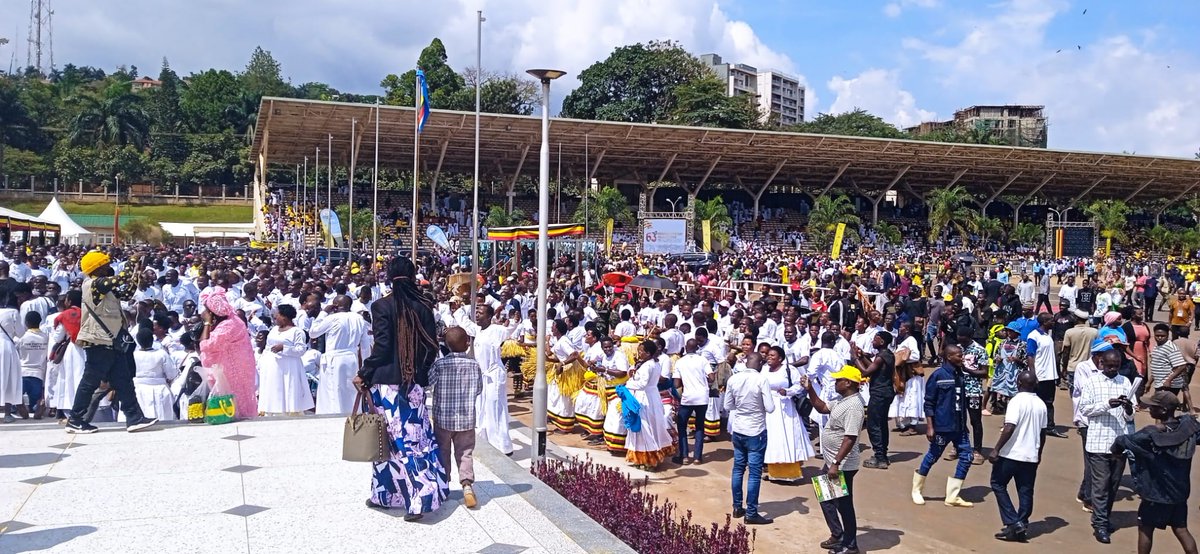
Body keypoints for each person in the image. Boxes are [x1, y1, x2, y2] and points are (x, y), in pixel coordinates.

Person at [355, 256, 448, 521]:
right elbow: (431, 346)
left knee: (386, 441)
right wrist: (417, 372)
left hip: (386, 387)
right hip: (412, 385)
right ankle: (391, 494)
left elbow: (382, 348)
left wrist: (364, 372)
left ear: (389, 276)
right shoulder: (423, 306)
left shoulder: (381, 306)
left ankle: (410, 497)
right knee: (414, 440)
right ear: (413, 276)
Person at [66, 251, 157, 434]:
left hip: (111, 340)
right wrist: (132, 260)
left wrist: (137, 271)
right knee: (90, 381)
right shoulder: (95, 284)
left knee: (123, 380)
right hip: (98, 341)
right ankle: (75, 419)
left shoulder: (104, 287)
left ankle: (134, 418)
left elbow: (126, 293)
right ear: (97, 267)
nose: (109, 267)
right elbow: (120, 278)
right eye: (106, 264)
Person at [1112, 390, 1200, 554]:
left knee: (1145, 528)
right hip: (1179, 493)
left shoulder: (1151, 434)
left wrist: (1115, 450)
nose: (1149, 408)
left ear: (1163, 410)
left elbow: (1123, 441)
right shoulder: (1187, 428)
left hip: (1155, 494)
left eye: (1153, 406)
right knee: (1181, 529)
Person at [805, 366, 866, 554]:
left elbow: (850, 437)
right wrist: (809, 389)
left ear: (848, 383)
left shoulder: (854, 405)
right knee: (825, 495)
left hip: (842, 464)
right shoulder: (842, 400)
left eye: (839, 380)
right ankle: (837, 534)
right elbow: (822, 407)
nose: (835, 382)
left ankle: (850, 545)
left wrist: (836, 464)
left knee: (843, 504)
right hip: (833, 461)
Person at [1078, 349, 1134, 544]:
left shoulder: (1125, 382)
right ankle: (1100, 525)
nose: (1112, 369)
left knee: (1112, 486)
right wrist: (1107, 405)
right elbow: (1084, 409)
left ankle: (1104, 518)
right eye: (1109, 366)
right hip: (1098, 443)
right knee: (1100, 487)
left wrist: (1127, 407)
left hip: (1119, 442)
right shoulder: (1092, 382)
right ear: (1101, 363)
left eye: (1115, 366)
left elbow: (1131, 415)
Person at [912, 343, 974, 508]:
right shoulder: (938, 376)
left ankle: (952, 495)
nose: (962, 358)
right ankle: (916, 490)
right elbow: (929, 403)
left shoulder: (960, 374)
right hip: (942, 426)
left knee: (967, 457)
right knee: (933, 456)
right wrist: (930, 426)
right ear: (949, 357)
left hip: (959, 426)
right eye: (959, 356)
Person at [988, 370, 1048, 542]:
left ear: (1018, 383)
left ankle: (1013, 523)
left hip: (1011, 453)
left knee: (998, 484)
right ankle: (1022, 524)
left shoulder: (1016, 401)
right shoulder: (1041, 404)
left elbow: (1009, 427)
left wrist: (996, 449)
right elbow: (1043, 433)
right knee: (1025, 490)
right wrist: (1039, 453)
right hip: (1030, 455)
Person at [429, 326, 483, 510]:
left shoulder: (440, 364)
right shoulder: (474, 365)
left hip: (443, 419)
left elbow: (428, 383)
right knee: (465, 453)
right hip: (466, 419)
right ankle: (467, 486)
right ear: (467, 344)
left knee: (442, 452)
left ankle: (443, 485)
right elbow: (478, 389)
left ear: (446, 345)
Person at [458, 303, 515, 456]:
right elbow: (465, 323)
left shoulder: (496, 330)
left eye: (480, 313)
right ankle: (486, 438)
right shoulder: (478, 330)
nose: (477, 315)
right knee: (482, 407)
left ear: (489, 316)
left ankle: (502, 445)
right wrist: (459, 308)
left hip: (494, 376)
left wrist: (514, 320)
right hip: (482, 376)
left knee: (495, 408)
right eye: (476, 312)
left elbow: (510, 330)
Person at [725, 352, 775, 525]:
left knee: (738, 469)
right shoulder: (761, 380)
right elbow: (770, 408)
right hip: (756, 430)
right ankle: (751, 512)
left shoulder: (734, 379)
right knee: (754, 473)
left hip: (738, 429)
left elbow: (727, 406)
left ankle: (737, 507)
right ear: (760, 363)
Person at [199, 286, 258, 419]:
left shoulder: (229, 325)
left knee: (235, 400)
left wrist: (207, 323)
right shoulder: (232, 320)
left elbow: (205, 345)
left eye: (207, 310)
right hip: (234, 367)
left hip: (233, 370)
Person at [308, 295, 369, 415]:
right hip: (352, 359)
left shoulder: (332, 318)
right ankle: (352, 414)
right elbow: (365, 345)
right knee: (350, 391)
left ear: (335, 305)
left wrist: (324, 312)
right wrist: (366, 366)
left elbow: (313, 332)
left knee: (334, 391)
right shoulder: (359, 318)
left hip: (335, 359)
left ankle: (334, 417)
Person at [760, 344, 813, 482]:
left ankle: (789, 473)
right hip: (768, 407)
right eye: (768, 355)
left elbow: (799, 385)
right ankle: (773, 471)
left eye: (773, 356)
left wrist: (787, 391)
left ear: (780, 359)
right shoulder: (764, 369)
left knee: (786, 437)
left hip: (785, 408)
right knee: (772, 438)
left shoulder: (789, 369)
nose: (769, 358)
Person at [623, 339, 676, 470]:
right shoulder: (655, 364)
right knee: (652, 426)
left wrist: (627, 385)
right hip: (653, 397)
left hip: (644, 398)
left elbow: (642, 384)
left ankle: (650, 460)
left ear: (648, 353)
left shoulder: (647, 366)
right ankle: (642, 458)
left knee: (645, 428)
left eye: (641, 351)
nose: (639, 353)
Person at [257, 304, 314, 416]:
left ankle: (289, 411)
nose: (274, 318)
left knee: (288, 388)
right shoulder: (273, 330)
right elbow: (268, 347)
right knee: (274, 388)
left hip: (289, 367)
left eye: (277, 315)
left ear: (284, 317)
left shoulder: (297, 331)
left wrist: (284, 348)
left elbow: (301, 350)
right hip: (272, 366)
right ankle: (272, 411)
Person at [855, 330, 895, 469]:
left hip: (879, 393)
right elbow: (873, 367)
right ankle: (882, 454)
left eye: (875, 339)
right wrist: (862, 357)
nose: (873, 341)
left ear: (882, 342)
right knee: (882, 423)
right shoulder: (887, 354)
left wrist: (855, 358)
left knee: (874, 424)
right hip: (886, 393)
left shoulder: (881, 356)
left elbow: (866, 372)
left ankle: (880, 457)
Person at [672, 338, 713, 464]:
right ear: (697, 348)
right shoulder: (703, 360)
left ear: (685, 347)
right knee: (700, 426)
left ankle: (684, 456)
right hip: (702, 397)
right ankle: (697, 457)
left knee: (682, 425)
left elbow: (676, 383)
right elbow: (711, 377)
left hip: (688, 398)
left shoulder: (680, 362)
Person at [1027, 313, 1067, 438]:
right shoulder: (1033, 336)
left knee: (1049, 402)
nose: (1053, 322)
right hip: (1040, 376)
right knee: (1037, 403)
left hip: (1050, 375)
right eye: (1050, 320)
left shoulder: (1047, 335)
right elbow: (1030, 356)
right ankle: (1033, 427)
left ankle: (1049, 427)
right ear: (1044, 322)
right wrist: (1034, 374)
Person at [130, 325, 179, 421]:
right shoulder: (161, 353)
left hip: (138, 390)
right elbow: (172, 374)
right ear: (152, 340)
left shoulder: (133, 355)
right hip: (159, 389)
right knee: (164, 418)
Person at [15, 311, 47, 420]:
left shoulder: (22, 338)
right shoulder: (45, 338)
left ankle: (20, 405)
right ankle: (40, 404)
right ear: (40, 322)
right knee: (38, 396)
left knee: (18, 395)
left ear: (26, 323)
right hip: (38, 374)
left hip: (23, 372)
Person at [1148, 323, 1188, 395]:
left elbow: (1182, 366)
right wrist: (1149, 383)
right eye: (1157, 336)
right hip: (1159, 383)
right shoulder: (1157, 346)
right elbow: (1157, 366)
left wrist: (1169, 380)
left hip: (1169, 385)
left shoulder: (1170, 347)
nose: (1160, 338)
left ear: (1168, 335)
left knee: (1163, 404)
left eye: (1163, 336)